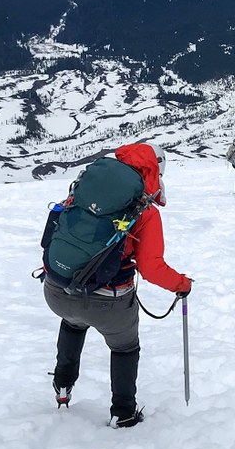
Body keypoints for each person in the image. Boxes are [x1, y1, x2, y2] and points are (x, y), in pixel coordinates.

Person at [43, 142, 192, 428]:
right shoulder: (144, 211)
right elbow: (151, 268)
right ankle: (123, 413)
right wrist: (181, 284)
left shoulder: (83, 190)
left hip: (57, 289)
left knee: (73, 323)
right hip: (109, 303)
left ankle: (62, 387)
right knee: (125, 348)